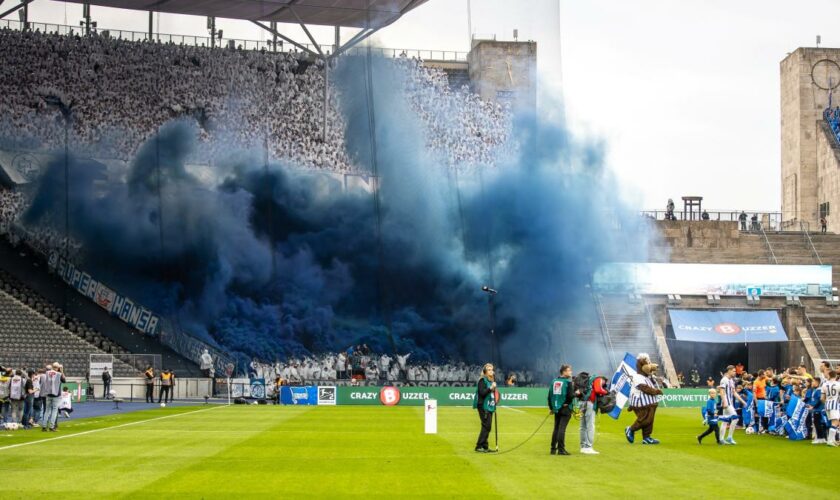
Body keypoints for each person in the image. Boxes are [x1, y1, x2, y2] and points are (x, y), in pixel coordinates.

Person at [625, 354, 663, 445]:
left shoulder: (647, 376)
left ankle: (646, 437)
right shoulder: (637, 377)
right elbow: (644, 388)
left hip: (650, 403)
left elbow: (652, 383)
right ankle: (630, 429)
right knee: (645, 419)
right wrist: (656, 391)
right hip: (641, 403)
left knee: (650, 421)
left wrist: (654, 377)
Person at [579, 373, 608, 455]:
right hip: (589, 403)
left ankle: (583, 447)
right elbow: (598, 389)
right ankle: (589, 447)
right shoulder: (599, 379)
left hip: (581, 402)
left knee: (582, 426)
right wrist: (605, 392)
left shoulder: (588, 379)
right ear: (604, 380)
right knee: (590, 426)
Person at [548, 364, 573, 455]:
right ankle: (561, 450)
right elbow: (570, 396)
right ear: (564, 372)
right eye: (569, 370)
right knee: (562, 429)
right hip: (566, 408)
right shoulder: (568, 382)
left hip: (556, 408)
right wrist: (567, 402)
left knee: (556, 429)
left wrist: (551, 408)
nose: (571, 372)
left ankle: (553, 449)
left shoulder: (554, 381)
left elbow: (550, 395)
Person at [718, 365, 747, 445]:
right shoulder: (724, 380)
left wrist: (743, 402)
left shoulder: (731, 380)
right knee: (735, 418)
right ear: (729, 371)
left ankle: (721, 439)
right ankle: (729, 437)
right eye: (734, 371)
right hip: (727, 403)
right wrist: (724, 401)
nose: (735, 373)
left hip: (729, 403)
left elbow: (734, 393)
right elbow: (721, 391)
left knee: (725, 421)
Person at [473, 363, 497, 453]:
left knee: (488, 426)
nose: (491, 371)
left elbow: (492, 394)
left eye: (492, 369)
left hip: (489, 406)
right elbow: (482, 393)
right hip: (483, 405)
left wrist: (493, 388)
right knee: (486, 425)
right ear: (485, 372)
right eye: (489, 370)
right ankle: (479, 446)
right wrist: (491, 388)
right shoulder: (482, 380)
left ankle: (485, 446)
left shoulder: (491, 381)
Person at [41, 363, 65, 432]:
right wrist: (62, 371)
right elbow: (64, 380)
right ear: (58, 368)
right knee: (54, 410)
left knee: (47, 411)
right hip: (56, 394)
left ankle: (44, 426)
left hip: (48, 394)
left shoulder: (47, 373)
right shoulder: (58, 374)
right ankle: (52, 426)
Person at [821, 370, 839, 447]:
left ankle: (832, 440)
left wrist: (826, 404)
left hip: (827, 405)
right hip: (835, 405)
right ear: (836, 376)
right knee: (835, 423)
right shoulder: (838, 384)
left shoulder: (824, 384)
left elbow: (822, 398)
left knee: (832, 423)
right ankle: (830, 441)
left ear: (829, 376)